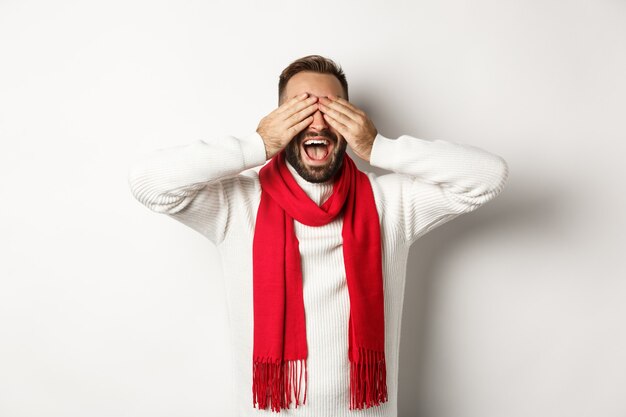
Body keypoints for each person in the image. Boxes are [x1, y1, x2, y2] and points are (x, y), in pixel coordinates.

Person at [127, 54, 509, 417]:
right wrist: (255, 144)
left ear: (351, 119)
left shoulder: (388, 204)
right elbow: (148, 183)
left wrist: (380, 147)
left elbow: (488, 176)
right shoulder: (237, 205)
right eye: (301, 109)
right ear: (280, 120)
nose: (318, 123)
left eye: (331, 109)